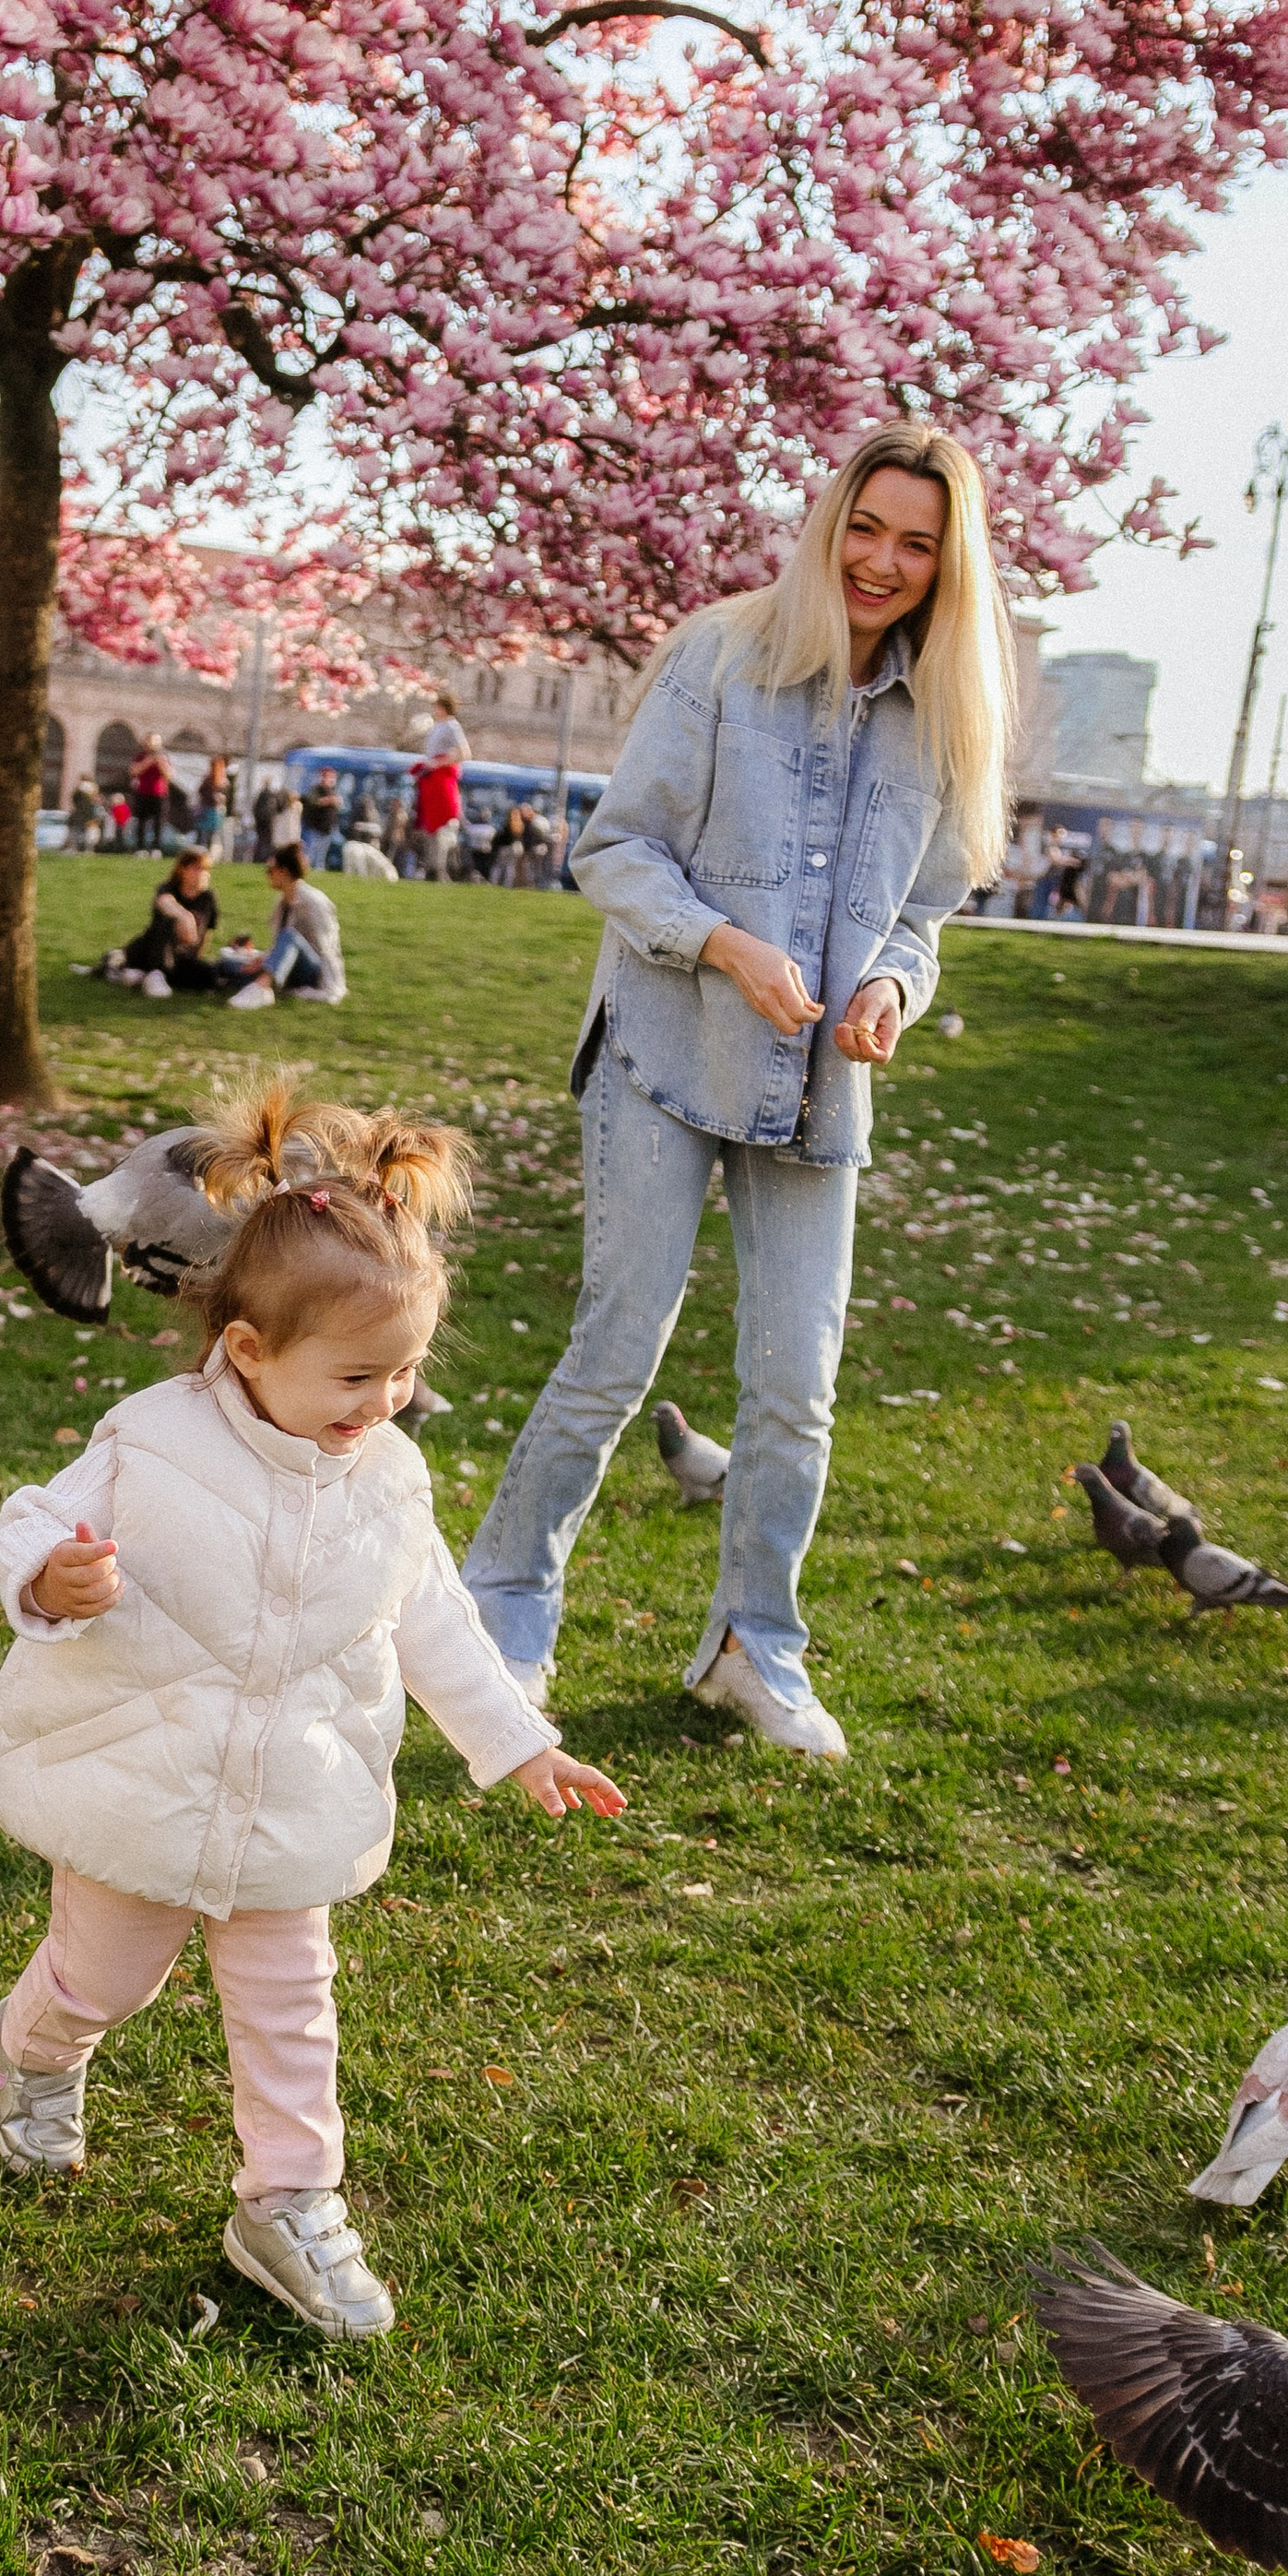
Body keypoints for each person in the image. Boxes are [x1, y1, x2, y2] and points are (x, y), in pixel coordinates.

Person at [0, 1080, 622, 2337]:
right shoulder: (152, 1438)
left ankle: (289, 2200)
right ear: (249, 1350)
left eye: (405, 1372)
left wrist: (519, 1743)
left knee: (291, 2012)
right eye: (356, 1374)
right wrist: (51, 1576)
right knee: (105, 1980)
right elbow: (36, 1516)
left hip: (292, 1804)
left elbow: (437, 1620)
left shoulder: (387, 1477)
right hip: (143, 1785)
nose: (382, 1402)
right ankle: (39, 2050)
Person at [461, 420, 1012, 1763]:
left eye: (917, 544)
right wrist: (726, 946)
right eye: (865, 528)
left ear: (950, 567)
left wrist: (889, 993)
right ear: (830, 525)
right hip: (664, 1043)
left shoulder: (945, 715)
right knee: (618, 1345)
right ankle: (503, 1612)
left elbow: (923, 918)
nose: (881, 561)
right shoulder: (723, 657)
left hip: (822, 1083)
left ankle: (751, 1646)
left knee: (794, 1388)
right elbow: (619, 848)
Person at [226, 841, 348, 1007]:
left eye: (270, 870)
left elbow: (327, 950)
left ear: (284, 872)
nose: (267, 875)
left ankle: (261, 989)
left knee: (289, 935)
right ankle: (258, 984)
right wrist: (263, 959)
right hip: (287, 966)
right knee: (226, 965)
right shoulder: (282, 902)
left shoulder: (314, 903)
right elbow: (280, 947)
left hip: (313, 971)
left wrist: (330, 989)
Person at [103, 849, 222, 997]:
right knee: (168, 921)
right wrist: (185, 917)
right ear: (182, 870)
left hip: (181, 958)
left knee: (211, 974)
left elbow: (207, 932)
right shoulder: (168, 889)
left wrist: (195, 957)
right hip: (155, 951)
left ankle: (142, 976)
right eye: (197, 869)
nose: (204, 874)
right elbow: (165, 902)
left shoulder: (208, 898)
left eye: (206, 870)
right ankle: (153, 974)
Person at [412, 705, 470, 879]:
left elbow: (464, 752)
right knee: (430, 824)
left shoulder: (452, 726)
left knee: (439, 823)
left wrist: (439, 763)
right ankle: (431, 865)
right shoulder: (438, 726)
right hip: (431, 779)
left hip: (440, 779)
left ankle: (437, 868)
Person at [128, 734, 171, 851]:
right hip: (143, 792)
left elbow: (169, 775)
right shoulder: (140, 757)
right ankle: (140, 848)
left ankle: (156, 848)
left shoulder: (164, 757)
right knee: (141, 821)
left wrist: (160, 762)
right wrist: (148, 760)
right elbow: (133, 771)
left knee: (159, 823)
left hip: (160, 794)